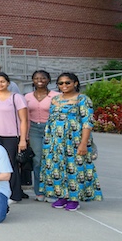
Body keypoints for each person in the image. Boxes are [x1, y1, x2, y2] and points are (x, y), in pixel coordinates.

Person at [41, 73, 102, 210]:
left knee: (74, 168)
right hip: (55, 140)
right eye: (61, 83)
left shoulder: (83, 99)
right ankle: (62, 196)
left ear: (75, 83)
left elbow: (88, 122)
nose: (64, 85)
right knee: (57, 167)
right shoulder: (55, 99)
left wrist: (83, 143)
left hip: (74, 140)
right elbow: (52, 120)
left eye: (67, 82)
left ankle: (74, 198)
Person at [0, 72, 29, 202]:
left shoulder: (17, 98)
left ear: (8, 83)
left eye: (2, 81)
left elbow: (24, 120)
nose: (0, 84)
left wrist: (22, 139)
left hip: (11, 136)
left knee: (10, 165)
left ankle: (15, 195)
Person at [24, 70, 58, 201]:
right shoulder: (27, 96)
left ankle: (52, 191)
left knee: (51, 160)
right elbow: (24, 116)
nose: (40, 80)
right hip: (33, 129)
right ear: (32, 80)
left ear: (48, 80)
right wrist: (25, 135)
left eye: (43, 78)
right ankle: (39, 191)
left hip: (51, 128)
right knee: (37, 160)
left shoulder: (56, 96)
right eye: (37, 78)